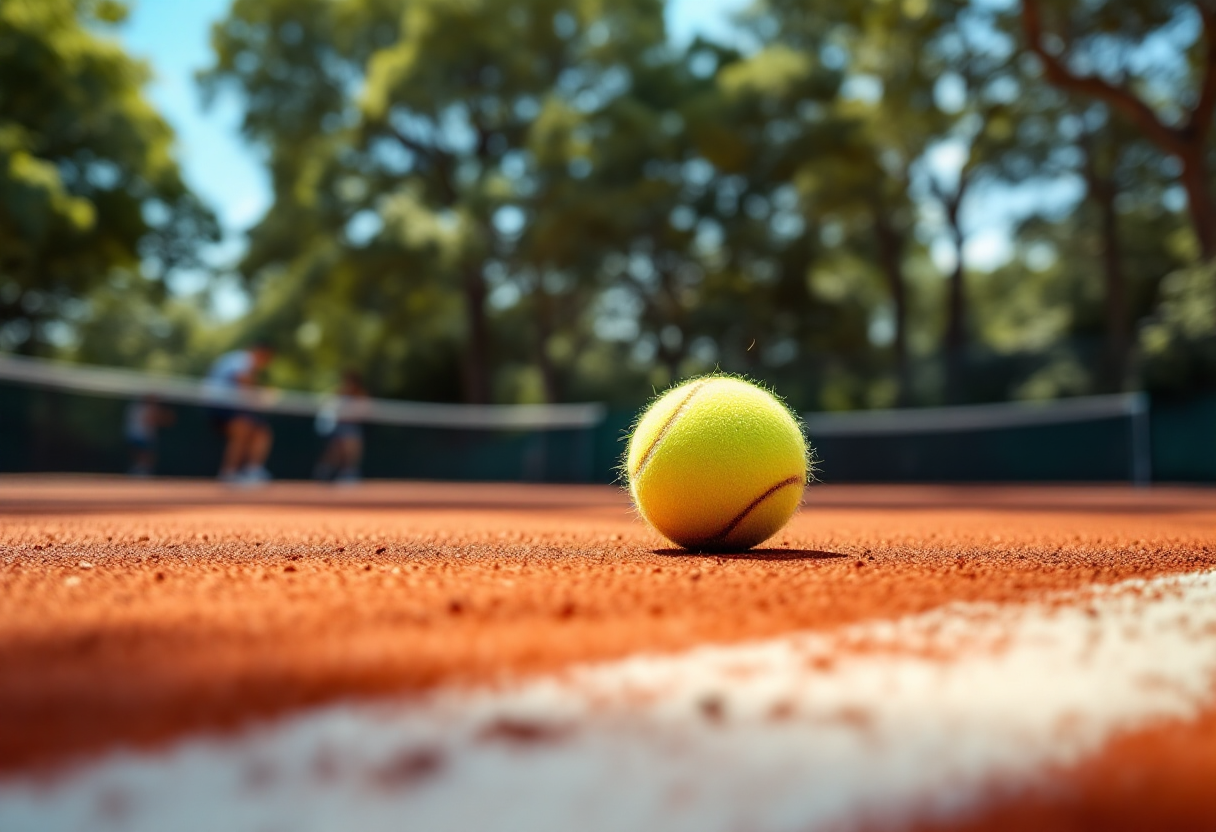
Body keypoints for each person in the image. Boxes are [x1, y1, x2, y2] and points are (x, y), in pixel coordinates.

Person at [205, 342, 275, 484]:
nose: (266, 363)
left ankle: (251, 470)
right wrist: (261, 396)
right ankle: (229, 473)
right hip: (220, 404)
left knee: (261, 432)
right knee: (243, 429)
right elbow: (242, 380)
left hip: (230, 405)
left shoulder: (241, 360)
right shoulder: (243, 359)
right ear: (260, 353)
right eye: (266, 358)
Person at [314, 369, 368, 484]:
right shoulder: (339, 392)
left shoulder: (361, 395)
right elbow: (329, 405)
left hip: (351, 428)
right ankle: (323, 474)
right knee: (334, 453)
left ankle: (349, 475)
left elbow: (362, 413)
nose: (348, 384)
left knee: (351, 451)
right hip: (339, 427)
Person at [124, 395, 174, 477]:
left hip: (143, 438)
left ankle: (141, 475)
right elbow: (153, 419)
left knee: (147, 461)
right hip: (138, 437)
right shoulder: (139, 407)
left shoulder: (145, 407)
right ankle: (138, 476)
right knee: (143, 460)